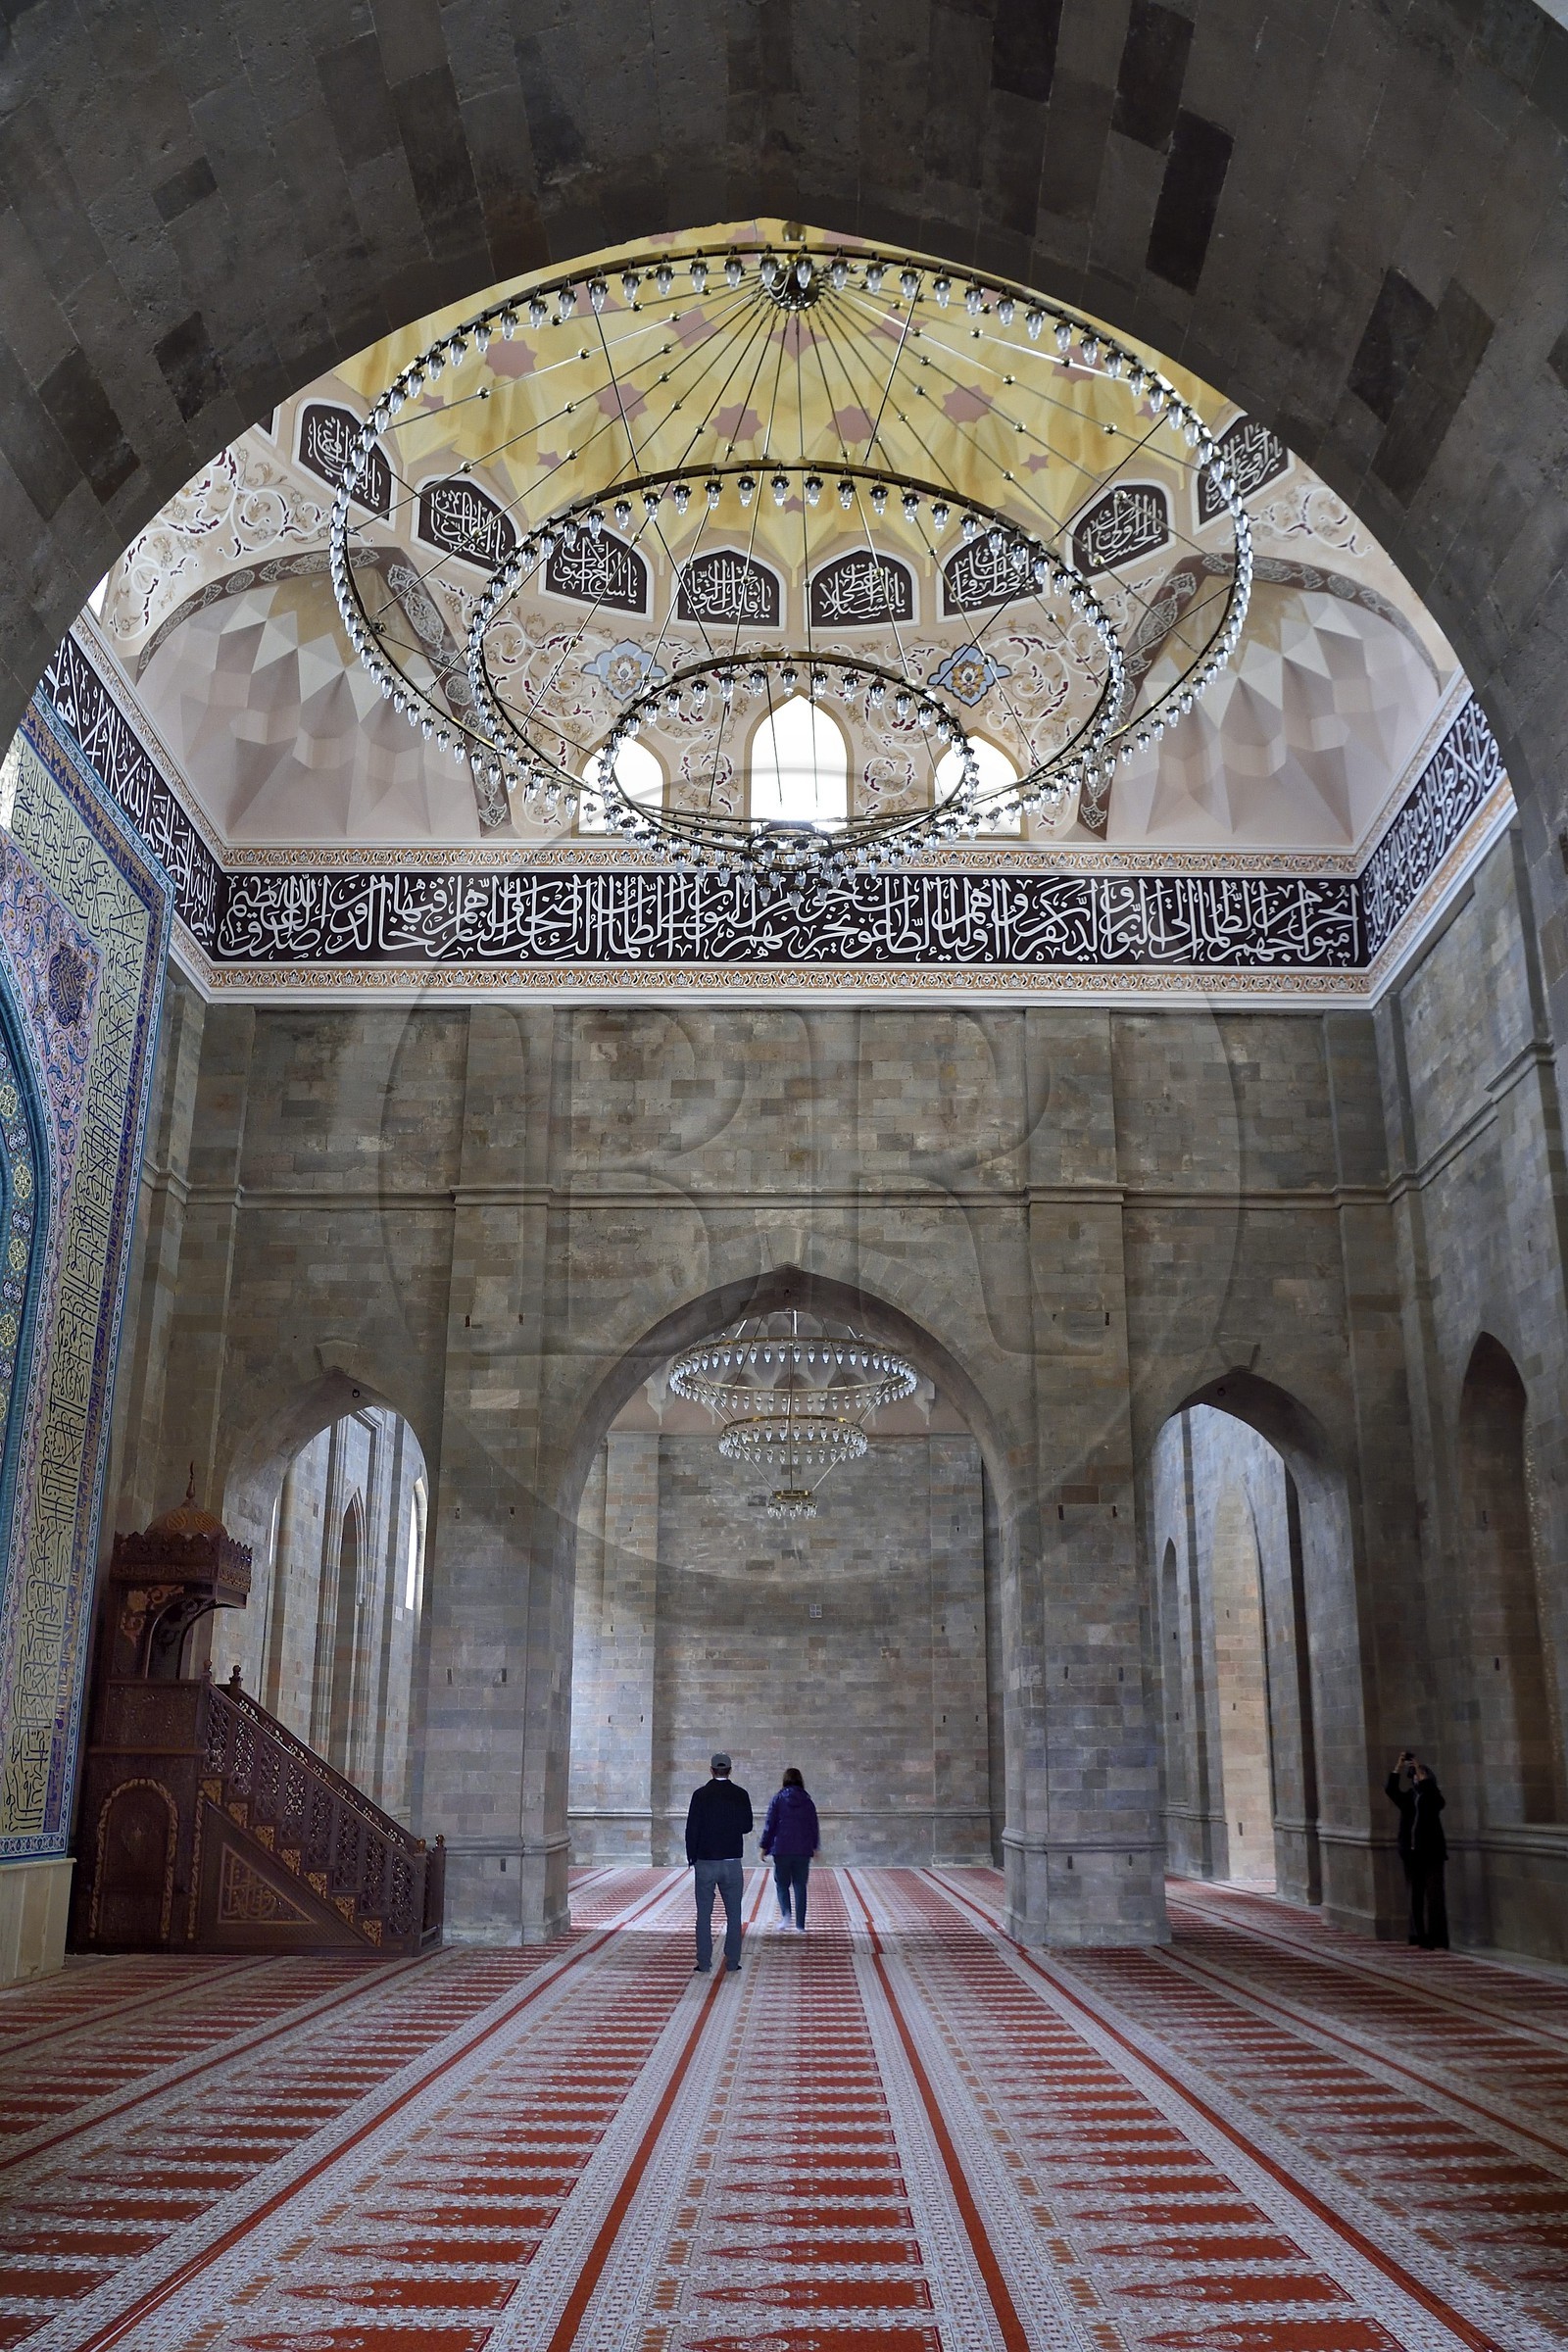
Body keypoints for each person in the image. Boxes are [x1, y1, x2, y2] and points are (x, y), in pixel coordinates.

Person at [684, 1750, 753, 1974]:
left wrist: (691, 1857)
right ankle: (732, 1962)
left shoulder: (700, 1795)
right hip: (732, 1861)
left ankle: (704, 1963)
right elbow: (747, 1826)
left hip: (705, 1861)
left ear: (711, 1770)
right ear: (729, 1770)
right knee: (734, 1914)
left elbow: (691, 1829)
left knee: (704, 1914)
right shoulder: (740, 1794)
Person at [1386, 1748, 1448, 1948]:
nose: (1416, 1779)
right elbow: (1391, 1790)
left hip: (1432, 1854)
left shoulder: (1433, 1798)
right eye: (1413, 1776)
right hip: (1412, 1854)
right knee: (1415, 1896)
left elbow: (1434, 1800)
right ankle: (1417, 1935)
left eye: (1419, 1776)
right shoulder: (1408, 1799)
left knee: (1434, 1897)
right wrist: (1399, 1765)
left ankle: (1436, 1936)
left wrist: (1422, 1773)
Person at [760, 1765, 820, 1933]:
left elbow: (770, 1824)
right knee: (800, 1885)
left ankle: (786, 1915)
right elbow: (813, 1826)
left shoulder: (777, 1799)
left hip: (782, 1848)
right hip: (802, 1849)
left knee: (782, 1884)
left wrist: (764, 1846)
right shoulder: (807, 1801)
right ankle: (800, 1925)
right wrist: (815, 1846)